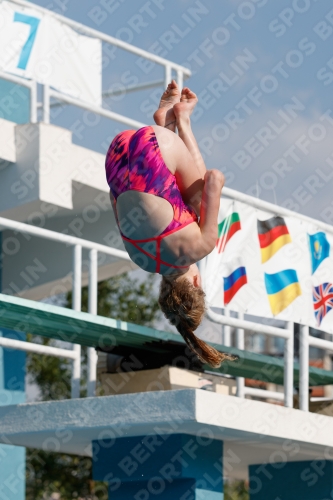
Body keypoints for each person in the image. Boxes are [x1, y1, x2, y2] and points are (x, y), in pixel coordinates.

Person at [105, 80, 229, 367]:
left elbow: (214, 178)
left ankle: (182, 122)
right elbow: (116, 200)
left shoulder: (200, 247)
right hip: (119, 152)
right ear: (162, 289)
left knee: (198, 205)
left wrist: (204, 207)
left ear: (197, 283)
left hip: (154, 149)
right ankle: (165, 124)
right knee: (174, 204)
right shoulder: (139, 259)